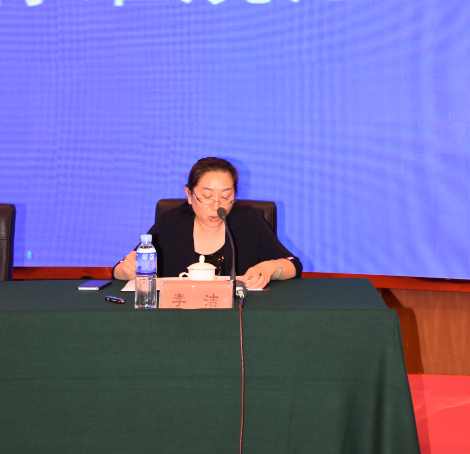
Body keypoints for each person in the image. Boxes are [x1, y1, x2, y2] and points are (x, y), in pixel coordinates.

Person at [113, 157, 302, 289]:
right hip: (178, 317)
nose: (217, 206)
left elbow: (293, 264)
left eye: (226, 197)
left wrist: (270, 268)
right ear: (189, 194)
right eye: (207, 196)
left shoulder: (249, 220)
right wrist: (127, 269)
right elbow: (119, 270)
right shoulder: (168, 223)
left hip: (236, 318)